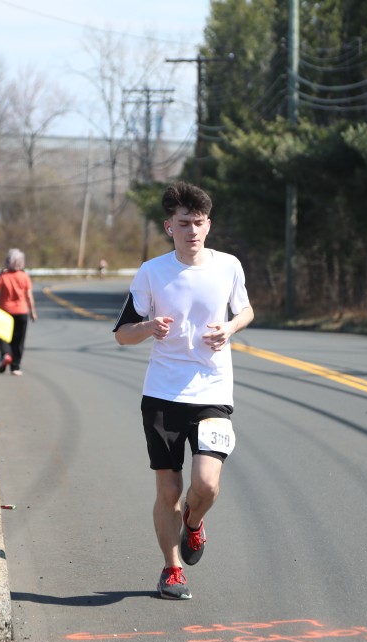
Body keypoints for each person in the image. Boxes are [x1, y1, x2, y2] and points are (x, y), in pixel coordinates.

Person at [112, 181, 253, 600]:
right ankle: (172, 570)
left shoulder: (228, 266)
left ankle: (193, 522)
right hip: (162, 394)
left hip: (213, 391)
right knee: (169, 490)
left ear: (209, 225)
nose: (192, 230)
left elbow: (245, 309)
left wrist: (230, 327)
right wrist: (148, 327)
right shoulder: (152, 272)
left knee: (206, 484)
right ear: (169, 226)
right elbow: (122, 334)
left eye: (199, 222)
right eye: (184, 223)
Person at [0, 248, 36, 376]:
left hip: (4, 311)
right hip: (21, 312)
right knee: (18, 340)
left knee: (3, 336)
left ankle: (6, 354)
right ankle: (15, 367)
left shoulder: (2, 277)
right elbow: (29, 296)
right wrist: (32, 311)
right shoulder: (25, 277)